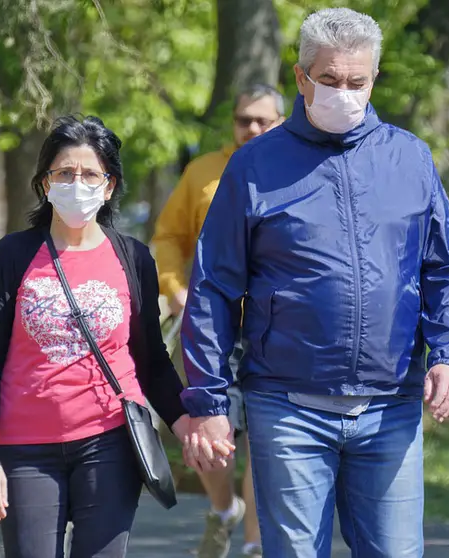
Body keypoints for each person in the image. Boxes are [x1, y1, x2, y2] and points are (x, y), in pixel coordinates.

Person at [178, 7, 449, 558]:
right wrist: (208, 401)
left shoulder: (409, 158)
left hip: (390, 406)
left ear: (374, 79)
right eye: (330, 80)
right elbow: (214, 288)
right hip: (286, 406)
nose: (344, 93)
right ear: (301, 78)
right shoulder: (254, 167)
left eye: (356, 82)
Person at [0, 115, 230, 558]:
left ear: (109, 186)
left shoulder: (133, 258)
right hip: (26, 449)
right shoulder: (14, 254)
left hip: (110, 441)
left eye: (90, 174)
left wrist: (188, 426)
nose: (77, 183)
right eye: (64, 173)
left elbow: (150, 361)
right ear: (44, 183)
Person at [152, 84, 286, 558]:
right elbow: (167, 237)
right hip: (214, 327)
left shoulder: (294, 168)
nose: (252, 128)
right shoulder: (204, 172)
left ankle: (253, 543)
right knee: (213, 431)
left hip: (275, 327)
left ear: (281, 122)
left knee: (263, 437)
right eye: (244, 119)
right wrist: (174, 288)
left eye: (263, 120)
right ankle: (224, 508)